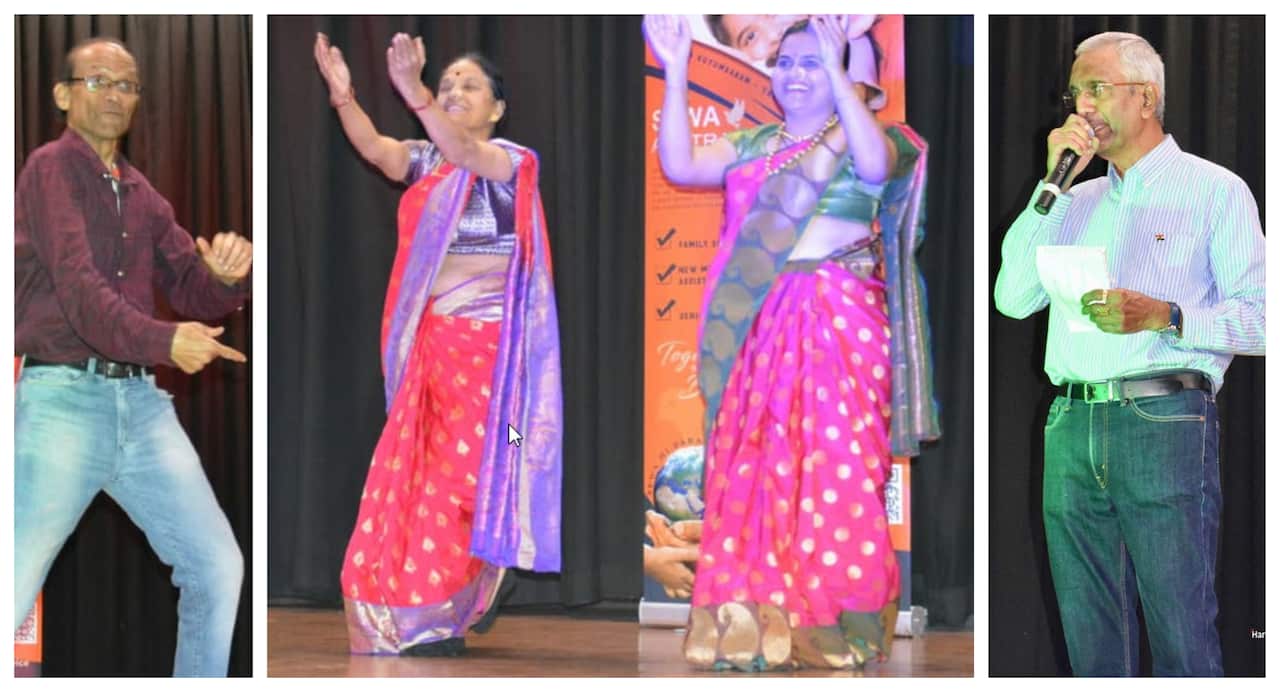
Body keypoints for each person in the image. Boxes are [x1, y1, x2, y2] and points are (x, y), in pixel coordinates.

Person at [645, 15, 938, 671]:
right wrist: (674, 70)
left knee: (839, 474)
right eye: (791, 60)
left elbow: (870, 165)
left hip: (839, 321)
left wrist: (839, 77)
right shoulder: (750, 146)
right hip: (758, 328)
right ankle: (752, 627)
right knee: (754, 475)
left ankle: (836, 623)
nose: (799, 72)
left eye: (821, 61)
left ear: (861, 80)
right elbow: (679, 164)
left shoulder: (879, 140)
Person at [993, 32, 1265, 676]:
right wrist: (1049, 187)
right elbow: (1011, 297)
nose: (1081, 106)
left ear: (1145, 98)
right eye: (1076, 91)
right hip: (1072, 422)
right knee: (1090, 632)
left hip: (1162, 421)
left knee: (1179, 625)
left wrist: (1164, 316)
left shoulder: (1214, 190)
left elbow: (1262, 320)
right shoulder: (1070, 199)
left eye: (1096, 88)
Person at [313, 31, 562, 657]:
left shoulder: (510, 161)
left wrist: (416, 93)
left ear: (497, 108)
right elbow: (376, 149)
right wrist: (345, 97)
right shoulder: (429, 162)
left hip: (498, 373)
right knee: (418, 480)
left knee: (490, 467)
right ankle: (422, 618)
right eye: (445, 83)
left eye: (467, 85)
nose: (453, 92)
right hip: (431, 358)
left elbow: (467, 154)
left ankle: (476, 582)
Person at [14, 37, 251, 677]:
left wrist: (227, 277)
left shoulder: (143, 194)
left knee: (216, 567)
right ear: (64, 95)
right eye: (99, 81)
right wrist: (165, 341)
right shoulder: (49, 170)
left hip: (140, 407)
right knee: (9, 588)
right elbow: (81, 293)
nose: (116, 95)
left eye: (127, 85)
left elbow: (189, 285)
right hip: (62, 400)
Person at [703, 14, 887, 111]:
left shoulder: (845, 33)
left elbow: (865, 98)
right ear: (743, 56)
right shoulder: (768, 90)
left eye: (773, 11)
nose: (774, 34)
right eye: (751, 37)